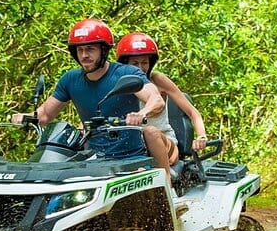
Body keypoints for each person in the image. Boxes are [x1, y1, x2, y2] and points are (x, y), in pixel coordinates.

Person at [12, 19, 174, 177]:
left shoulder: (126, 73)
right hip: (92, 160)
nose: (84, 55)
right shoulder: (70, 80)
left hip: (131, 159)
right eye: (80, 50)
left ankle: (167, 188)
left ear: (103, 50)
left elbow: (156, 100)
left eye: (90, 49)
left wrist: (141, 113)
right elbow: (45, 115)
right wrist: (24, 117)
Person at [115, 32, 208, 167]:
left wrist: (201, 136)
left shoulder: (158, 80)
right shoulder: (118, 84)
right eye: (135, 63)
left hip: (164, 143)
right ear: (125, 64)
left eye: (144, 62)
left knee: (150, 132)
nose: (140, 68)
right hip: (132, 147)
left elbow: (193, 113)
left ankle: (166, 179)